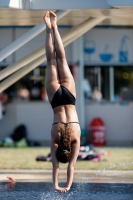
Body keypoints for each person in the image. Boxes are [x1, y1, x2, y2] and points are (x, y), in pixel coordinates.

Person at [43, 11, 80, 193]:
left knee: (61, 59)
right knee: (51, 61)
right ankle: (48, 28)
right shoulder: (56, 141)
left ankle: (55, 26)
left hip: (70, 97)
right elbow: (56, 167)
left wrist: (67, 186)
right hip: (56, 100)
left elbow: (71, 167)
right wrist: (56, 185)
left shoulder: (75, 139)